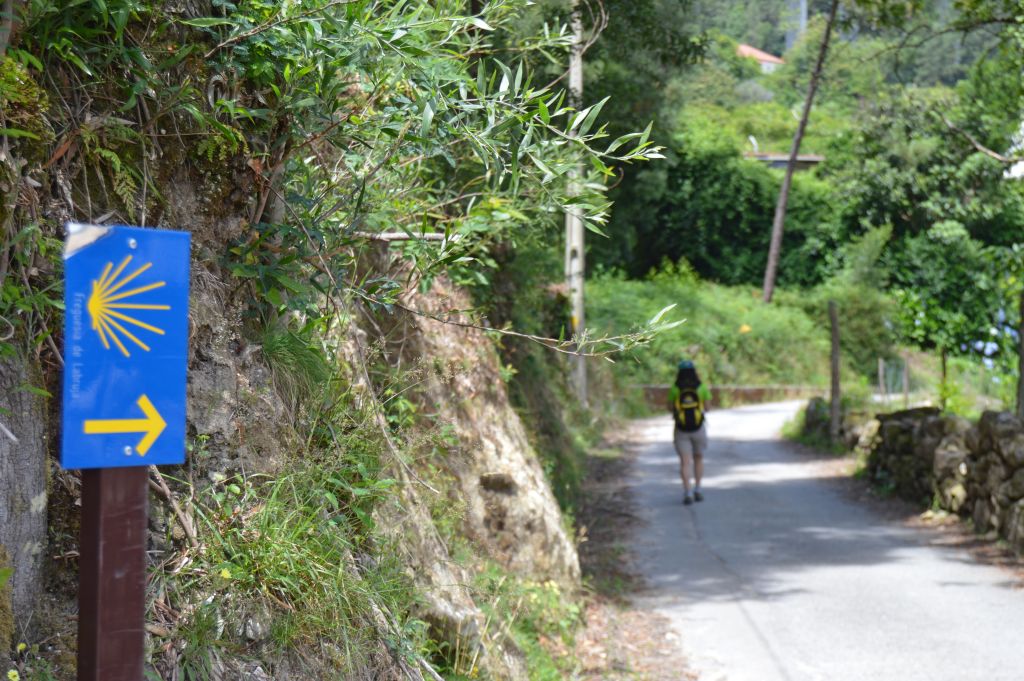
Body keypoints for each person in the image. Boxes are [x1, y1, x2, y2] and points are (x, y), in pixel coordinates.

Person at [668, 360, 711, 505]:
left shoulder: (675, 388)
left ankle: (688, 492)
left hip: (681, 430)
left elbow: (670, 408)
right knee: (698, 458)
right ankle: (698, 489)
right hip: (698, 428)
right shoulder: (702, 387)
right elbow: (708, 407)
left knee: (685, 462)